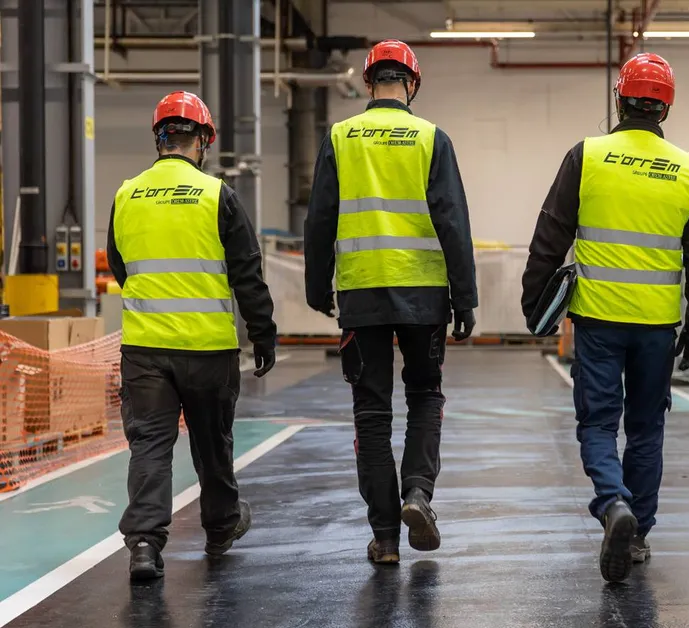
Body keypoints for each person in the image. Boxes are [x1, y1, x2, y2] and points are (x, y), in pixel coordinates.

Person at [522, 53, 689, 583]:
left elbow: (550, 235)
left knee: (598, 422)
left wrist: (532, 300)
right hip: (657, 325)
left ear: (619, 98)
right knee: (648, 427)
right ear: (666, 107)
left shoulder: (585, 156)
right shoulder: (686, 168)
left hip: (598, 321)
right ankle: (638, 537)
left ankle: (613, 505)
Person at [303, 40, 478, 565]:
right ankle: (418, 495)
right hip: (424, 295)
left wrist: (318, 287)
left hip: (362, 294)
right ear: (412, 84)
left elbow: (319, 218)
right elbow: (452, 220)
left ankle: (384, 538)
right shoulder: (431, 138)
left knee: (371, 413)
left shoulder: (340, 137)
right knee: (425, 396)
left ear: (366, 82)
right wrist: (464, 297)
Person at [107, 91, 278, 581]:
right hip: (207, 348)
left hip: (145, 349)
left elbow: (121, 266)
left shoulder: (126, 194)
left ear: (159, 139)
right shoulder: (215, 194)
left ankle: (143, 543)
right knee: (212, 443)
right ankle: (221, 526)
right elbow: (248, 272)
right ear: (202, 140)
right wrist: (263, 335)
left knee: (151, 445)